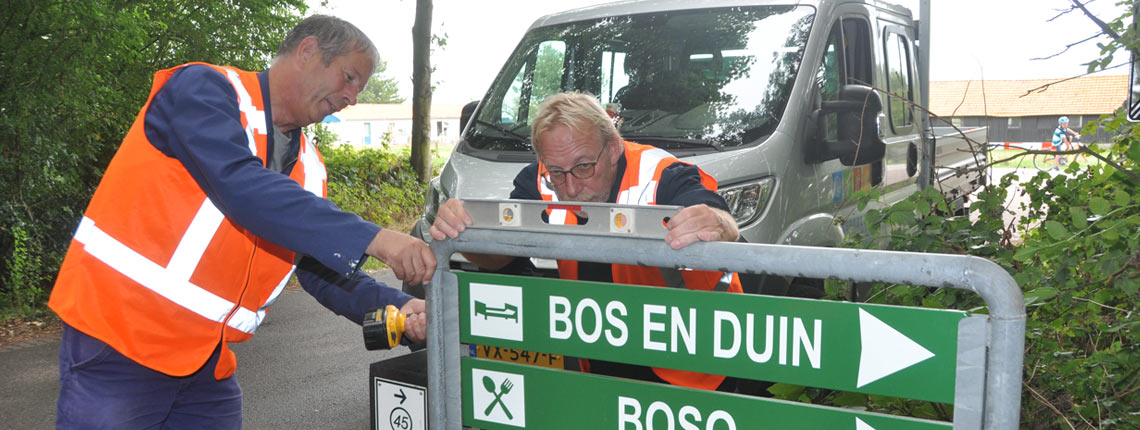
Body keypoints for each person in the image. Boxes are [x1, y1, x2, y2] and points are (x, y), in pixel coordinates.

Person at [48, 15, 436, 428]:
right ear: (307, 52)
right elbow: (241, 186)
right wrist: (375, 237)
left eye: (358, 87)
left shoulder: (309, 167)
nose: (352, 97)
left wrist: (402, 306)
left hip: (204, 364)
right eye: (349, 77)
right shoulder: (203, 90)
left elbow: (318, 270)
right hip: (121, 342)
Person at [431, 91, 743, 392]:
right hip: (606, 354)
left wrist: (716, 222)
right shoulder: (541, 180)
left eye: (584, 167)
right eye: (556, 171)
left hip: (694, 365)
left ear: (613, 150)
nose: (570, 187)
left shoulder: (661, 175)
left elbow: (719, 218)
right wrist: (462, 232)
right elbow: (499, 255)